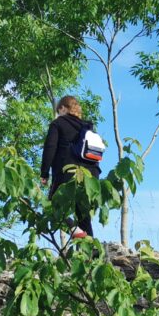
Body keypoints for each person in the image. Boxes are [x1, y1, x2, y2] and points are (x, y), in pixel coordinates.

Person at [40, 95, 102, 238]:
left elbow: (50, 148)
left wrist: (44, 173)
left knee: (52, 205)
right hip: (91, 176)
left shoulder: (58, 123)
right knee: (83, 214)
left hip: (67, 171)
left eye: (58, 111)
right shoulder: (88, 127)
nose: (58, 114)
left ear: (62, 108)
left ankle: (76, 232)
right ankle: (90, 247)